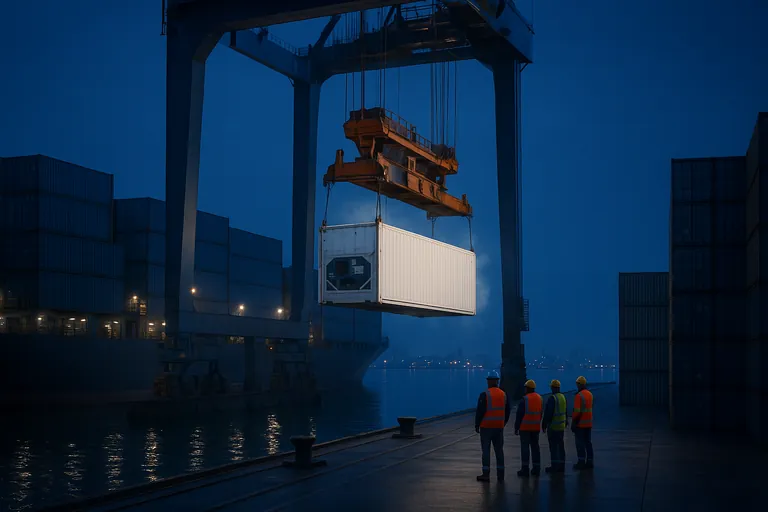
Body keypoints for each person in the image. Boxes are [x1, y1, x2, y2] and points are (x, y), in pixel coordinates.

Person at [474, 370, 511, 482]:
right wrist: (503, 422)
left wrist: (477, 424)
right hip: (499, 427)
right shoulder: (503, 395)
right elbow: (507, 411)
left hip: (486, 427)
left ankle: (486, 474)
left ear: (489, 381)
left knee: (486, 451)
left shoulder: (485, 394)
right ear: (497, 381)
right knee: (499, 451)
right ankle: (501, 474)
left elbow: (480, 411)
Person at [514, 379, 542, 477]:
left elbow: (519, 415)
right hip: (536, 427)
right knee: (535, 448)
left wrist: (516, 427)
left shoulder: (524, 399)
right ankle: (536, 468)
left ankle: (525, 469)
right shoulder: (539, 398)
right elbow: (540, 413)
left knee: (525, 449)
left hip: (525, 428)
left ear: (528, 388)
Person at [541, 379, 568, 473]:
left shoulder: (552, 398)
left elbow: (548, 413)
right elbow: (565, 411)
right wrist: (566, 422)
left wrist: (544, 424)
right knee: (560, 447)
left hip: (553, 427)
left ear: (552, 387)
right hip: (561, 426)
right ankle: (561, 466)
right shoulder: (562, 397)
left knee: (553, 448)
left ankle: (554, 466)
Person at [571, 375, 594, 470]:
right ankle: (590, 462)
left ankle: (581, 462)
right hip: (588, 423)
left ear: (579, 384)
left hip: (580, 424)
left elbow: (577, 411)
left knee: (580, 444)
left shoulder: (578, 396)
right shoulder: (590, 394)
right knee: (588, 443)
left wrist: (574, 423)